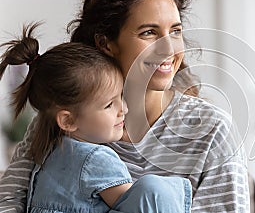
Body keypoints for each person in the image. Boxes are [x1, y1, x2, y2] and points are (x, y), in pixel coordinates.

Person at [0, 0, 250, 212]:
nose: (168, 49)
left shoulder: (212, 131)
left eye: (175, 31)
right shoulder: (68, 119)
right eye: (149, 32)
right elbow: (8, 201)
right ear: (106, 43)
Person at [0, 23, 192, 213]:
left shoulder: (48, 146)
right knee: (156, 191)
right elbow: (141, 203)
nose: (123, 109)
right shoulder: (98, 160)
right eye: (109, 105)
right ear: (67, 121)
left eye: (121, 97)